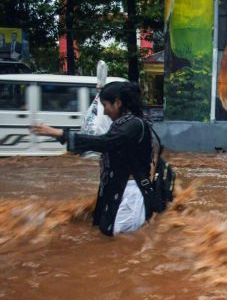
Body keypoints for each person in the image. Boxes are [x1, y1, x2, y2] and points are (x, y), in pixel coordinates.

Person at [31, 82, 155, 236]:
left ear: (118, 102)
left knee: (121, 242)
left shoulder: (133, 125)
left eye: (105, 105)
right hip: (118, 189)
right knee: (106, 236)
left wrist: (58, 133)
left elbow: (105, 142)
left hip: (130, 195)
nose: (104, 113)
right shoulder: (126, 123)